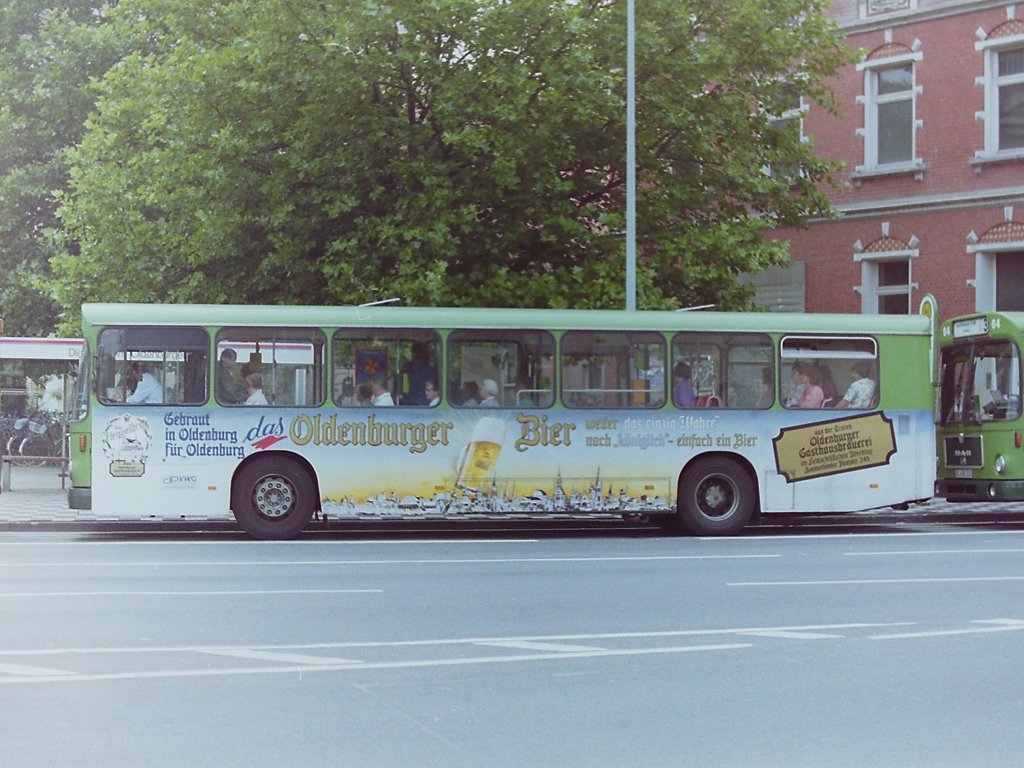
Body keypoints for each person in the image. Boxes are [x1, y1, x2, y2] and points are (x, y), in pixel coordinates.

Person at [400, 341, 437, 406]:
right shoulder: (406, 369)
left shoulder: (431, 371)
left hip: (424, 404)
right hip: (411, 403)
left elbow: (434, 389)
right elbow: (404, 389)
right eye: (418, 352)